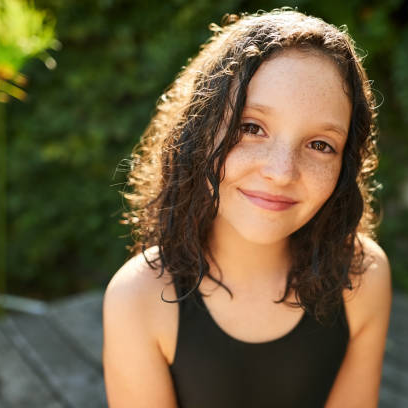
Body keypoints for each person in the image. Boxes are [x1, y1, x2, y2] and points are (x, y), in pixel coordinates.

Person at [103, 8, 391, 408]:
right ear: (200, 132)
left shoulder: (362, 276)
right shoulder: (138, 298)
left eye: (320, 145)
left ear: (346, 165)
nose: (281, 172)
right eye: (250, 127)